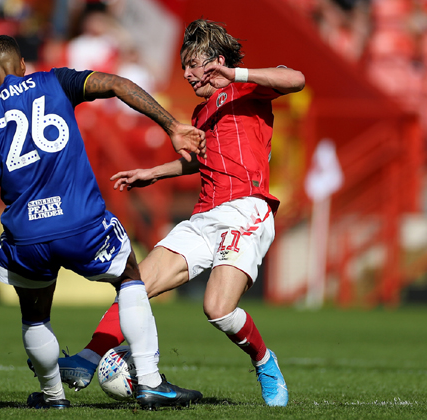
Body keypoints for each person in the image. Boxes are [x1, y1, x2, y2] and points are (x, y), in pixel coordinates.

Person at [0, 35, 206, 410]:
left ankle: (53, 397)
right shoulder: (55, 81)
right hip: (81, 223)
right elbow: (119, 84)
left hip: (27, 234)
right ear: (23, 64)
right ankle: (151, 383)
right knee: (129, 279)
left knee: (35, 316)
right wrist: (172, 125)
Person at [58, 19, 305, 407]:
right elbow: (199, 161)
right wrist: (152, 173)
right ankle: (87, 359)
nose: (187, 74)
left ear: (217, 62)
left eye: (194, 65)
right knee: (134, 284)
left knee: (217, 309)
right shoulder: (200, 111)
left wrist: (233, 73)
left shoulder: (247, 87)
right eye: (185, 65)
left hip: (245, 210)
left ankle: (264, 360)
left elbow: (296, 79)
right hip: (204, 216)